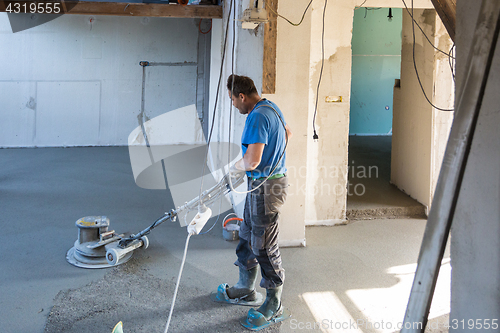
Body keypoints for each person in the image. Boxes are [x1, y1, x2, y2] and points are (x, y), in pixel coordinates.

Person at [212, 74, 292, 330]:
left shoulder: (257, 115)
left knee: (263, 244)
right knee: (247, 234)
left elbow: (252, 161)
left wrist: (233, 170)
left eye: (233, 101)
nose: (234, 105)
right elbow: (288, 133)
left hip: (266, 187)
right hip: (262, 183)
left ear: (242, 96)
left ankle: (274, 301)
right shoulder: (271, 108)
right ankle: (246, 288)